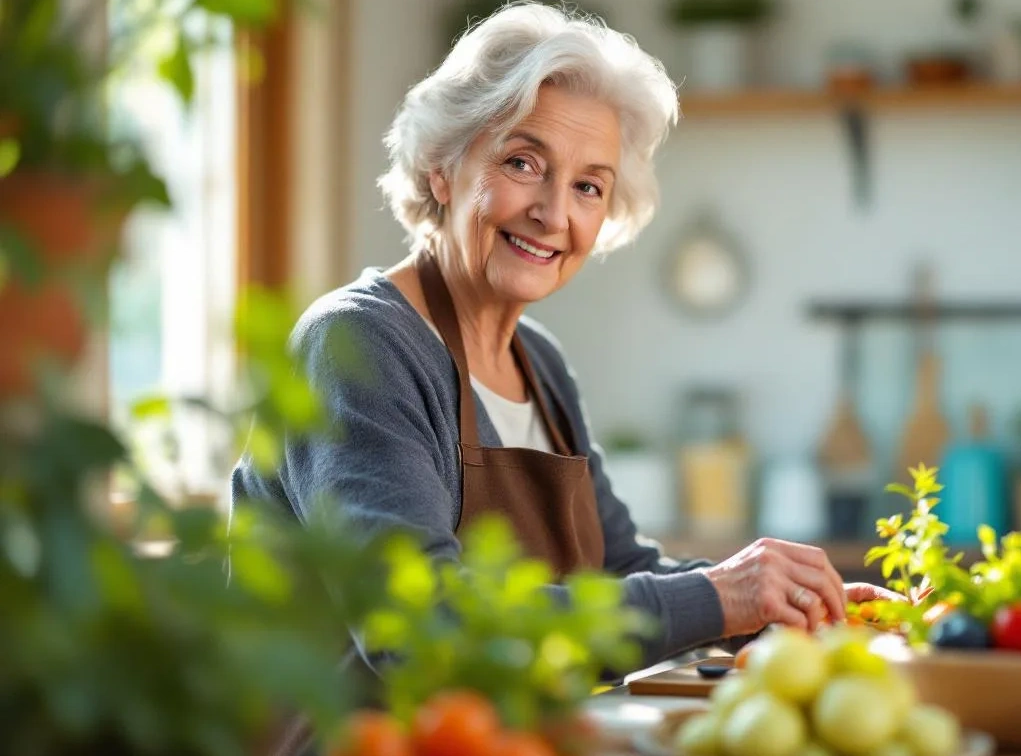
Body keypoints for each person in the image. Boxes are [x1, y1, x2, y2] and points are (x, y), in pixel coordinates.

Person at [231, 1, 897, 670]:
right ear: (442, 167)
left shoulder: (538, 365)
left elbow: (615, 570)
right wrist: (717, 597)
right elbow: (416, 629)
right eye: (523, 164)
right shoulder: (359, 343)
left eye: (588, 186)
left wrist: (781, 604)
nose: (554, 214)